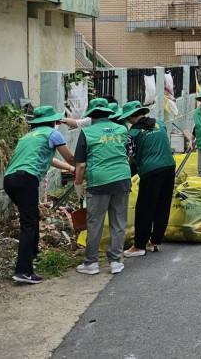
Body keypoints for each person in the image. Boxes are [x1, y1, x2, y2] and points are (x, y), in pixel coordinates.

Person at [3, 106, 75, 284]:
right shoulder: (52, 134)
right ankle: (22, 271)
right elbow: (70, 158)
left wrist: (70, 169)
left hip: (10, 179)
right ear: (52, 121)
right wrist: (80, 166)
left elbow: (50, 159)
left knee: (31, 218)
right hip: (26, 179)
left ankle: (33, 254)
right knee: (28, 223)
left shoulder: (28, 137)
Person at [74, 98, 132, 275]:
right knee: (118, 221)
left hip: (98, 182)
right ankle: (115, 261)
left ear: (91, 115)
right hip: (122, 178)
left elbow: (81, 165)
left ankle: (91, 263)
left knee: (95, 222)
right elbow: (127, 154)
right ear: (108, 113)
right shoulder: (122, 129)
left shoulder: (87, 132)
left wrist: (78, 183)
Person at [120, 101, 176, 258]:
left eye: (128, 118)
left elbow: (129, 157)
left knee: (145, 208)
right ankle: (155, 241)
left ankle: (139, 246)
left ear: (132, 117)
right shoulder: (159, 123)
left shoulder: (133, 133)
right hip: (169, 166)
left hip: (151, 171)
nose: (128, 121)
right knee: (162, 205)